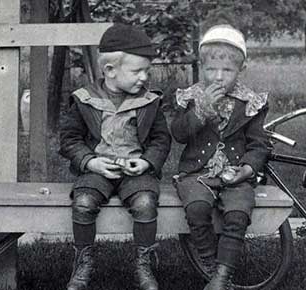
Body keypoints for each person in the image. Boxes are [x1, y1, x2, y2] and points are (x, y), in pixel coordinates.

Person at [59, 23, 171, 290]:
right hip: (97, 170)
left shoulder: (149, 102)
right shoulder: (85, 99)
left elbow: (160, 139)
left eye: (147, 70)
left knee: (145, 202)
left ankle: (144, 264)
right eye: (137, 71)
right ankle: (83, 261)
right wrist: (90, 161)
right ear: (110, 71)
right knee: (84, 202)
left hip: (135, 172)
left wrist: (145, 162)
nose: (144, 77)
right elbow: (69, 139)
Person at [171, 24, 269, 290]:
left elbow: (259, 145)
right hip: (197, 174)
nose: (218, 77)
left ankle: (222, 276)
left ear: (240, 70)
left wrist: (248, 170)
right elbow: (178, 134)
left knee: (238, 213)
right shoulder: (191, 98)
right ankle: (212, 266)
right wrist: (201, 110)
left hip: (235, 174)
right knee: (197, 209)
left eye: (227, 71)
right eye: (211, 69)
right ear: (202, 67)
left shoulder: (249, 102)